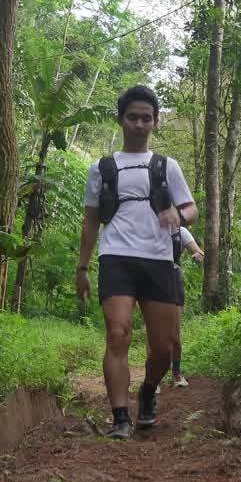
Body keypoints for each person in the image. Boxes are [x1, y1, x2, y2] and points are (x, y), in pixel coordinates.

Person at [76, 85, 198, 440]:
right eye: (133, 117)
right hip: (116, 258)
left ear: (155, 122)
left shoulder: (166, 166)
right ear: (121, 120)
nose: (139, 124)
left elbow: (191, 208)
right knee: (118, 334)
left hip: (159, 260)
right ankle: (120, 418)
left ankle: (147, 392)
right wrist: (82, 268)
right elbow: (90, 220)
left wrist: (180, 215)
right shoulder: (101, 168)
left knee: (163, 347)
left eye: (147, 118)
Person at [169, 227, 204, 388]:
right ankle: (152, 377)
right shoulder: (148, 227)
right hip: (151, 280)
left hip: (173, 280)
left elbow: (199, 252)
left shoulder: (180, 232)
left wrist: (198, 255)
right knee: (152, 332)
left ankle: (176, 372)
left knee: (174, 333)